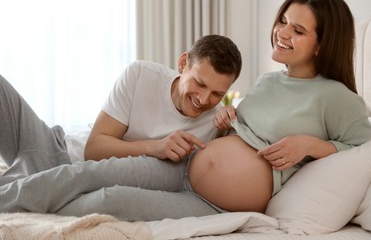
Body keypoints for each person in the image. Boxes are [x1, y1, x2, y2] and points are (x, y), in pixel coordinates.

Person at [0, 0, 371, 221]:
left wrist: (311, 146)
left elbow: (361, 144)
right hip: (182, 164)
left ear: (323, 44)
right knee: (85, 176)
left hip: (212, 203)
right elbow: (243, 132)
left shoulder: (337, 98)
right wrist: (229, 119)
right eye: (284, 21)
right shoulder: (267, 80)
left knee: (105, 201)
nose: (282, 31)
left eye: (298, 29)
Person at [0, 34, 242, 186]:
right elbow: (94, 148)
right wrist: (154, 147)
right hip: (57, 147)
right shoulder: (141, 75)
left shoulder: (216, 124)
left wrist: (228, 119)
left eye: (217, 93)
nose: (203, 99)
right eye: (199, 83)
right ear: (182, 64)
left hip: (72, 178)